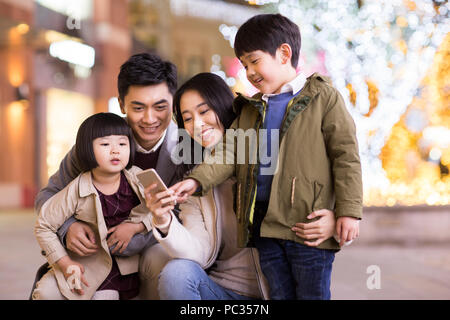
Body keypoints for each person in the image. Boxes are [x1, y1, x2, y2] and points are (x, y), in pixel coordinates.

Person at [170, 14, 363, 300]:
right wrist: (197, 180)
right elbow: (230, 152)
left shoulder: (323, 98)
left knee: (312, 295)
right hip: (266, 231)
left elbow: (345, 156)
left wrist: (347, 212)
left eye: (254, 61)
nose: (249, 72)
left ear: (284, 53)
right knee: (280, 295)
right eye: (245, 65)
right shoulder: (250, 110)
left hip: (308, 229)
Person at [144, 72, 338, 300]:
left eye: (204, 111)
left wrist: (334, 216)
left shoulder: (267, 155)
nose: (197, 124)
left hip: (276, 293)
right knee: (177, 273)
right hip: (221, 293)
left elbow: (326, 171)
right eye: (187, 118)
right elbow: (199, 253)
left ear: (224, 106)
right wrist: (163, 220)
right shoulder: (194, 183)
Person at [31, 53, 179, 299]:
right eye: (138, 107)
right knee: (46, 293)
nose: (150, 118)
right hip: (94, 257)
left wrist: (136, 230)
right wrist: (68, 228)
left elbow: (184, 213)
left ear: (173, 103)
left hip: (154, 248)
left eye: (160, 107)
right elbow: (48, 195)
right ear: (121, 104)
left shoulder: (188, 147)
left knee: (168, 267)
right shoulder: (96, 143)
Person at [33, 113, 152, 300]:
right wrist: (64, 263)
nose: (115, 151)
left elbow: (161, 209)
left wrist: (136, 226)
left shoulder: (139, 178)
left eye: (122, 144)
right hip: (92, 265)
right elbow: (44, 225)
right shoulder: (76, 189)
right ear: (87, 149)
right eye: (105, 144)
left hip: (129, 265)